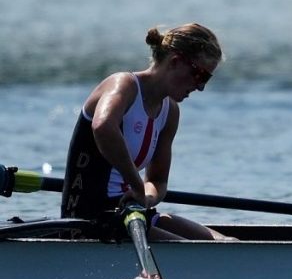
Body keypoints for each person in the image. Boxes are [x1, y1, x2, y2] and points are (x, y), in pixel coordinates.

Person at [61, 23, 232, 241]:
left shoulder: (170, 113)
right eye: (200, 76)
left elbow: (158, 181)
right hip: (88, 221)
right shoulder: (123, 85)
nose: (200, 87)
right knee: (194, 253)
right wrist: (136, 185)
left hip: (132, 215)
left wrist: (146, 198)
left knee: (227, 244)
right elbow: (103, 127)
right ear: (175, 62)